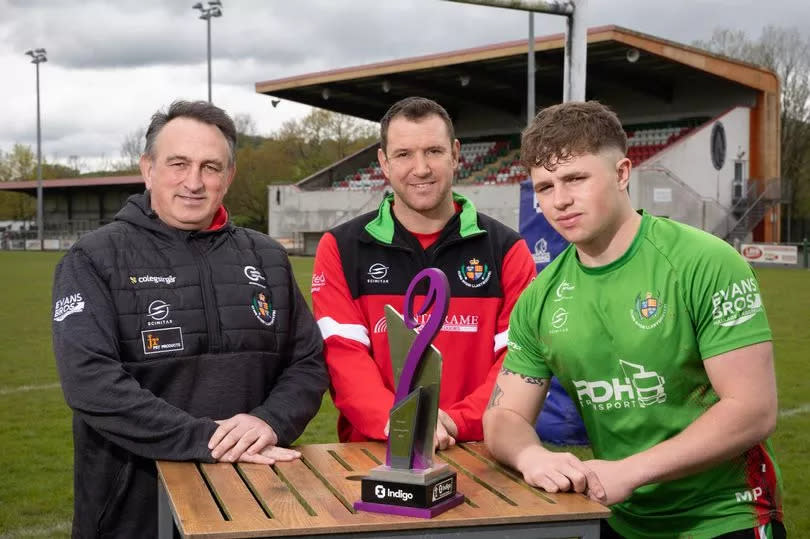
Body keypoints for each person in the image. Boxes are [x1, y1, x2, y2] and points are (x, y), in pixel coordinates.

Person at [484, 100, 784, 538]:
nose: (559, 200)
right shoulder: (540, 298)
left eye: (575, 178)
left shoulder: (705, 262)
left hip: (726, 516)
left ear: (622, 173)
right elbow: (503, 415)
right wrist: (533, 457)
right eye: (544, 187)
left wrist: (632, 471)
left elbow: (753, 409)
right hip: (618, 520)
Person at [52, 100, 328, 538]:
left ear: (229, 176)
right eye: (178, 163)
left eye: (210, 167)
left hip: (254, 500)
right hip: (135, 509)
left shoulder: (268, 257)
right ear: (148, 168)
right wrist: (203, 438)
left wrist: (270, 421)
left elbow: (307, 362)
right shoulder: (94, 257)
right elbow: (91, 381)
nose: (194, 182)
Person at [311, 96, 536, 449]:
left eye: (433, 151)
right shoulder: (341, 247)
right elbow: (343, 357)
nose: (421, 168)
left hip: (477, 448)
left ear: (456, 154)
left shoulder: (506, 250)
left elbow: (519, 360)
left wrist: (454, 422)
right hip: (377, 449)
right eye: (404, 154)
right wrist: (401, 422)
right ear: (384, 163)